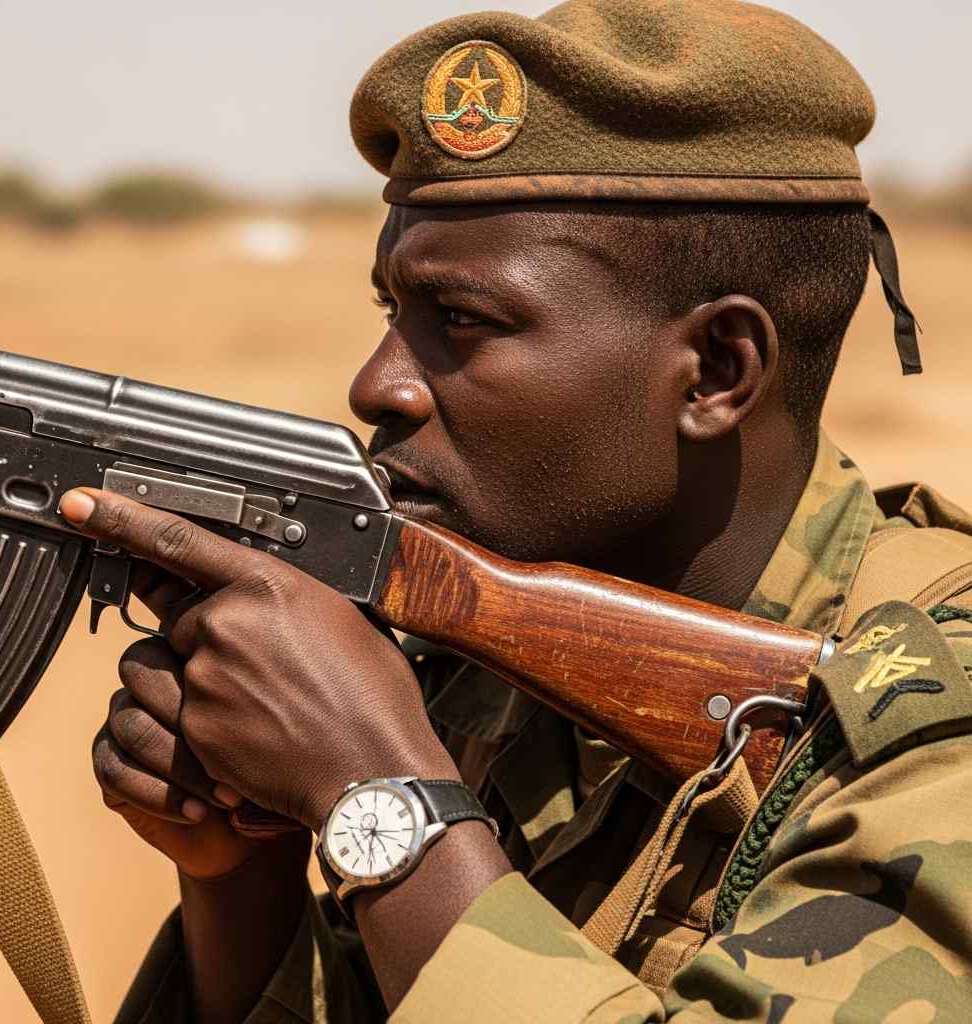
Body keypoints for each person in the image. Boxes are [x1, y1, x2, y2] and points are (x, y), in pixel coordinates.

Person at [66, 1, 972, 1021]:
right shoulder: (481, 674)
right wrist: (238, 878)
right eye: (391, 312)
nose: (377, 385)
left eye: (462, 320)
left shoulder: (932, 748)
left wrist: (380, 792)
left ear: (717, 369)